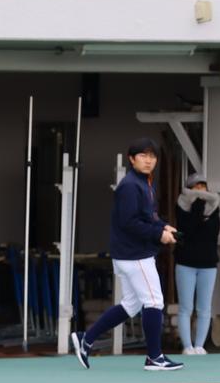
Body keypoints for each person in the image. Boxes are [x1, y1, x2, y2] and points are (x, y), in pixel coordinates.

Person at [71, 138, 181, 371]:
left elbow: (148, 215)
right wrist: (158, 234)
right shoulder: (131, 185)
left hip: (128, 255)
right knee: (154, 301)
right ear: (132, 159)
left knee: (131, 305)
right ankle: (154, 357)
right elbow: (129, 223)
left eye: (152, 156)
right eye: (143, 155)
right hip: (135, 255)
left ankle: (86, 339)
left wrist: (163, 226)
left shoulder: (143, 182)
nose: (149, 160)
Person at [174, 173, 220, 355]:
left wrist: (202, 213)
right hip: (185, 262)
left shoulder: (214, 207)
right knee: (186, 307)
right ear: (189, 189)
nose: (200, 189)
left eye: (203, 186)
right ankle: (187, 346)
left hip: (208, 264)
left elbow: (212, 232)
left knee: (204, 307)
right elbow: (189, 230)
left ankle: (200, 345)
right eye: (196, 186)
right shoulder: (182, 206)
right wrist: (199, 208)